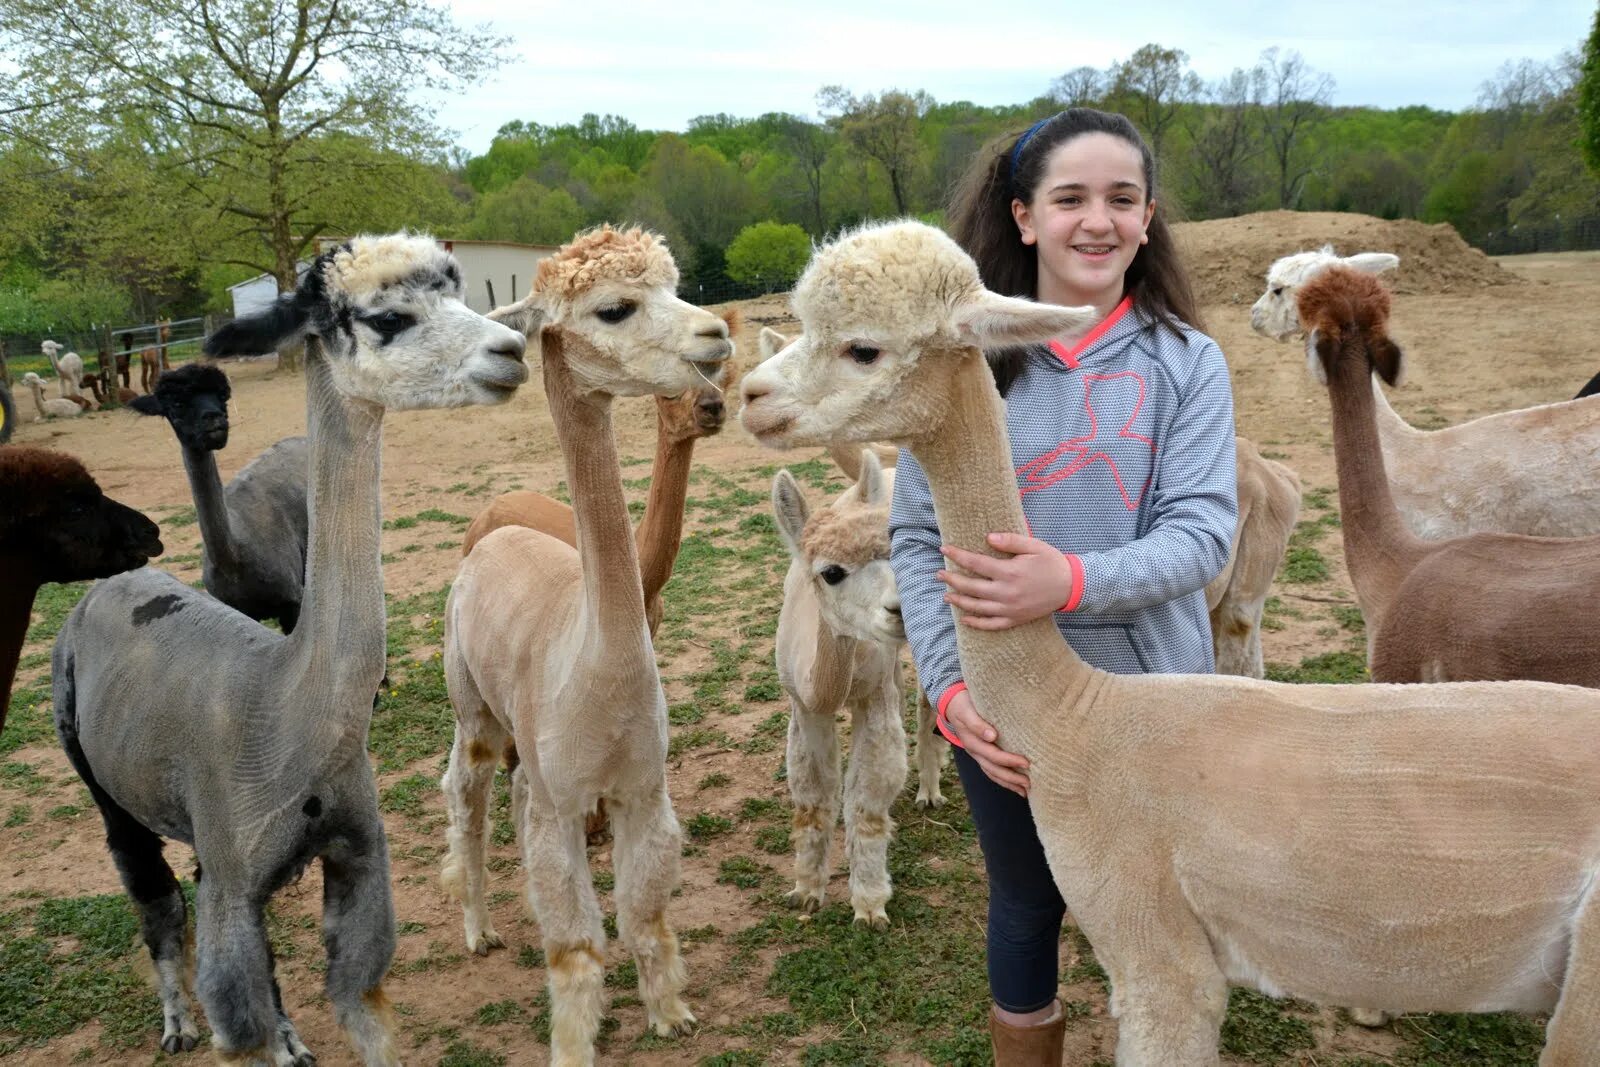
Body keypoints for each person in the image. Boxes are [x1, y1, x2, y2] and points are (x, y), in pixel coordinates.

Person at [888, 107, 1238, 1064]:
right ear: (1025, 217)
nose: (1098, 220)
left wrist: (1069, 578)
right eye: (1070, 198)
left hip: (1152, 701)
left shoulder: (1186, 363)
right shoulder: (963, 360)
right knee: (1027, 900)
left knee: (1162, 902)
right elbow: (918, 539)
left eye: (1122, 199)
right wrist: (949, 692)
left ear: (1149, 216)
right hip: (1005, 711)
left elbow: (1205, 534)